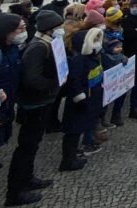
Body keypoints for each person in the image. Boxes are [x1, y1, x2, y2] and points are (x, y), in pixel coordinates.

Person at [5, 10, 64, 206]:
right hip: (35, 103)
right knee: (26, 146)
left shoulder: (46, 43)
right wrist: (52, 84)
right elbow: (32, 78)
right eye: (58, 27)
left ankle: (27, 178)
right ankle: (15, 192)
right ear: (50, 28)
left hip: (42, 101)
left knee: (33, 144)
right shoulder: (38, 47)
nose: (61, 30)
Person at [60, 28, 105, 172]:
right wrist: (79, 98)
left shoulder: (92, 57)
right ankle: (67, 160)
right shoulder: (79, 60)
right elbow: (74, 82)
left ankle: (73, 156)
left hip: (89, 99)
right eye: (95, 41)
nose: (98, 43)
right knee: (73, 132)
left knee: (79, 129)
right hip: (79, 103)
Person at [0, 14, 26, 172]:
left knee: (2, 136)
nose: (23, 32)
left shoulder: (15, 48)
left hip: (9, 100)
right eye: (19, 29)